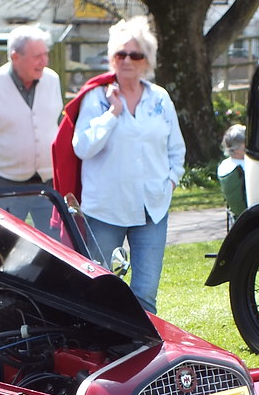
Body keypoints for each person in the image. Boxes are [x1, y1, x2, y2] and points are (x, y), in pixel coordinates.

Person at [72, 16, 186, 314]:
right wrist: (112, 114)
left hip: (152, 208)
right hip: (105, 210)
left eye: (135, 55)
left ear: (146, 60)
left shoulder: (160, 98)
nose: (127, 60)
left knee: (145, 293)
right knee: (97, 290)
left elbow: (177, 149)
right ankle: (101, 352)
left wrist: (171, 181)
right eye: (120, 54)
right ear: (112, 58)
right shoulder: (97, 97)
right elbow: (82, 147)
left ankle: (143, 355)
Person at [0, 25, 63, 233]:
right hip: (5, 185)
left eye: (46, 54)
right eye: (37, 56)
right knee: (4, 247)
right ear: (15, 56)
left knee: (58, 249)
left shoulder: (53, 80)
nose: (44, 61)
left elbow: (58, 126)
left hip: (49, 184)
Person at [217, 124, 247, 220]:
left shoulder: (224, 165)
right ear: (237, 148)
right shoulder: (244, 167)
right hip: (249, 214)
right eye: (245, 143)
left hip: (236, 216)